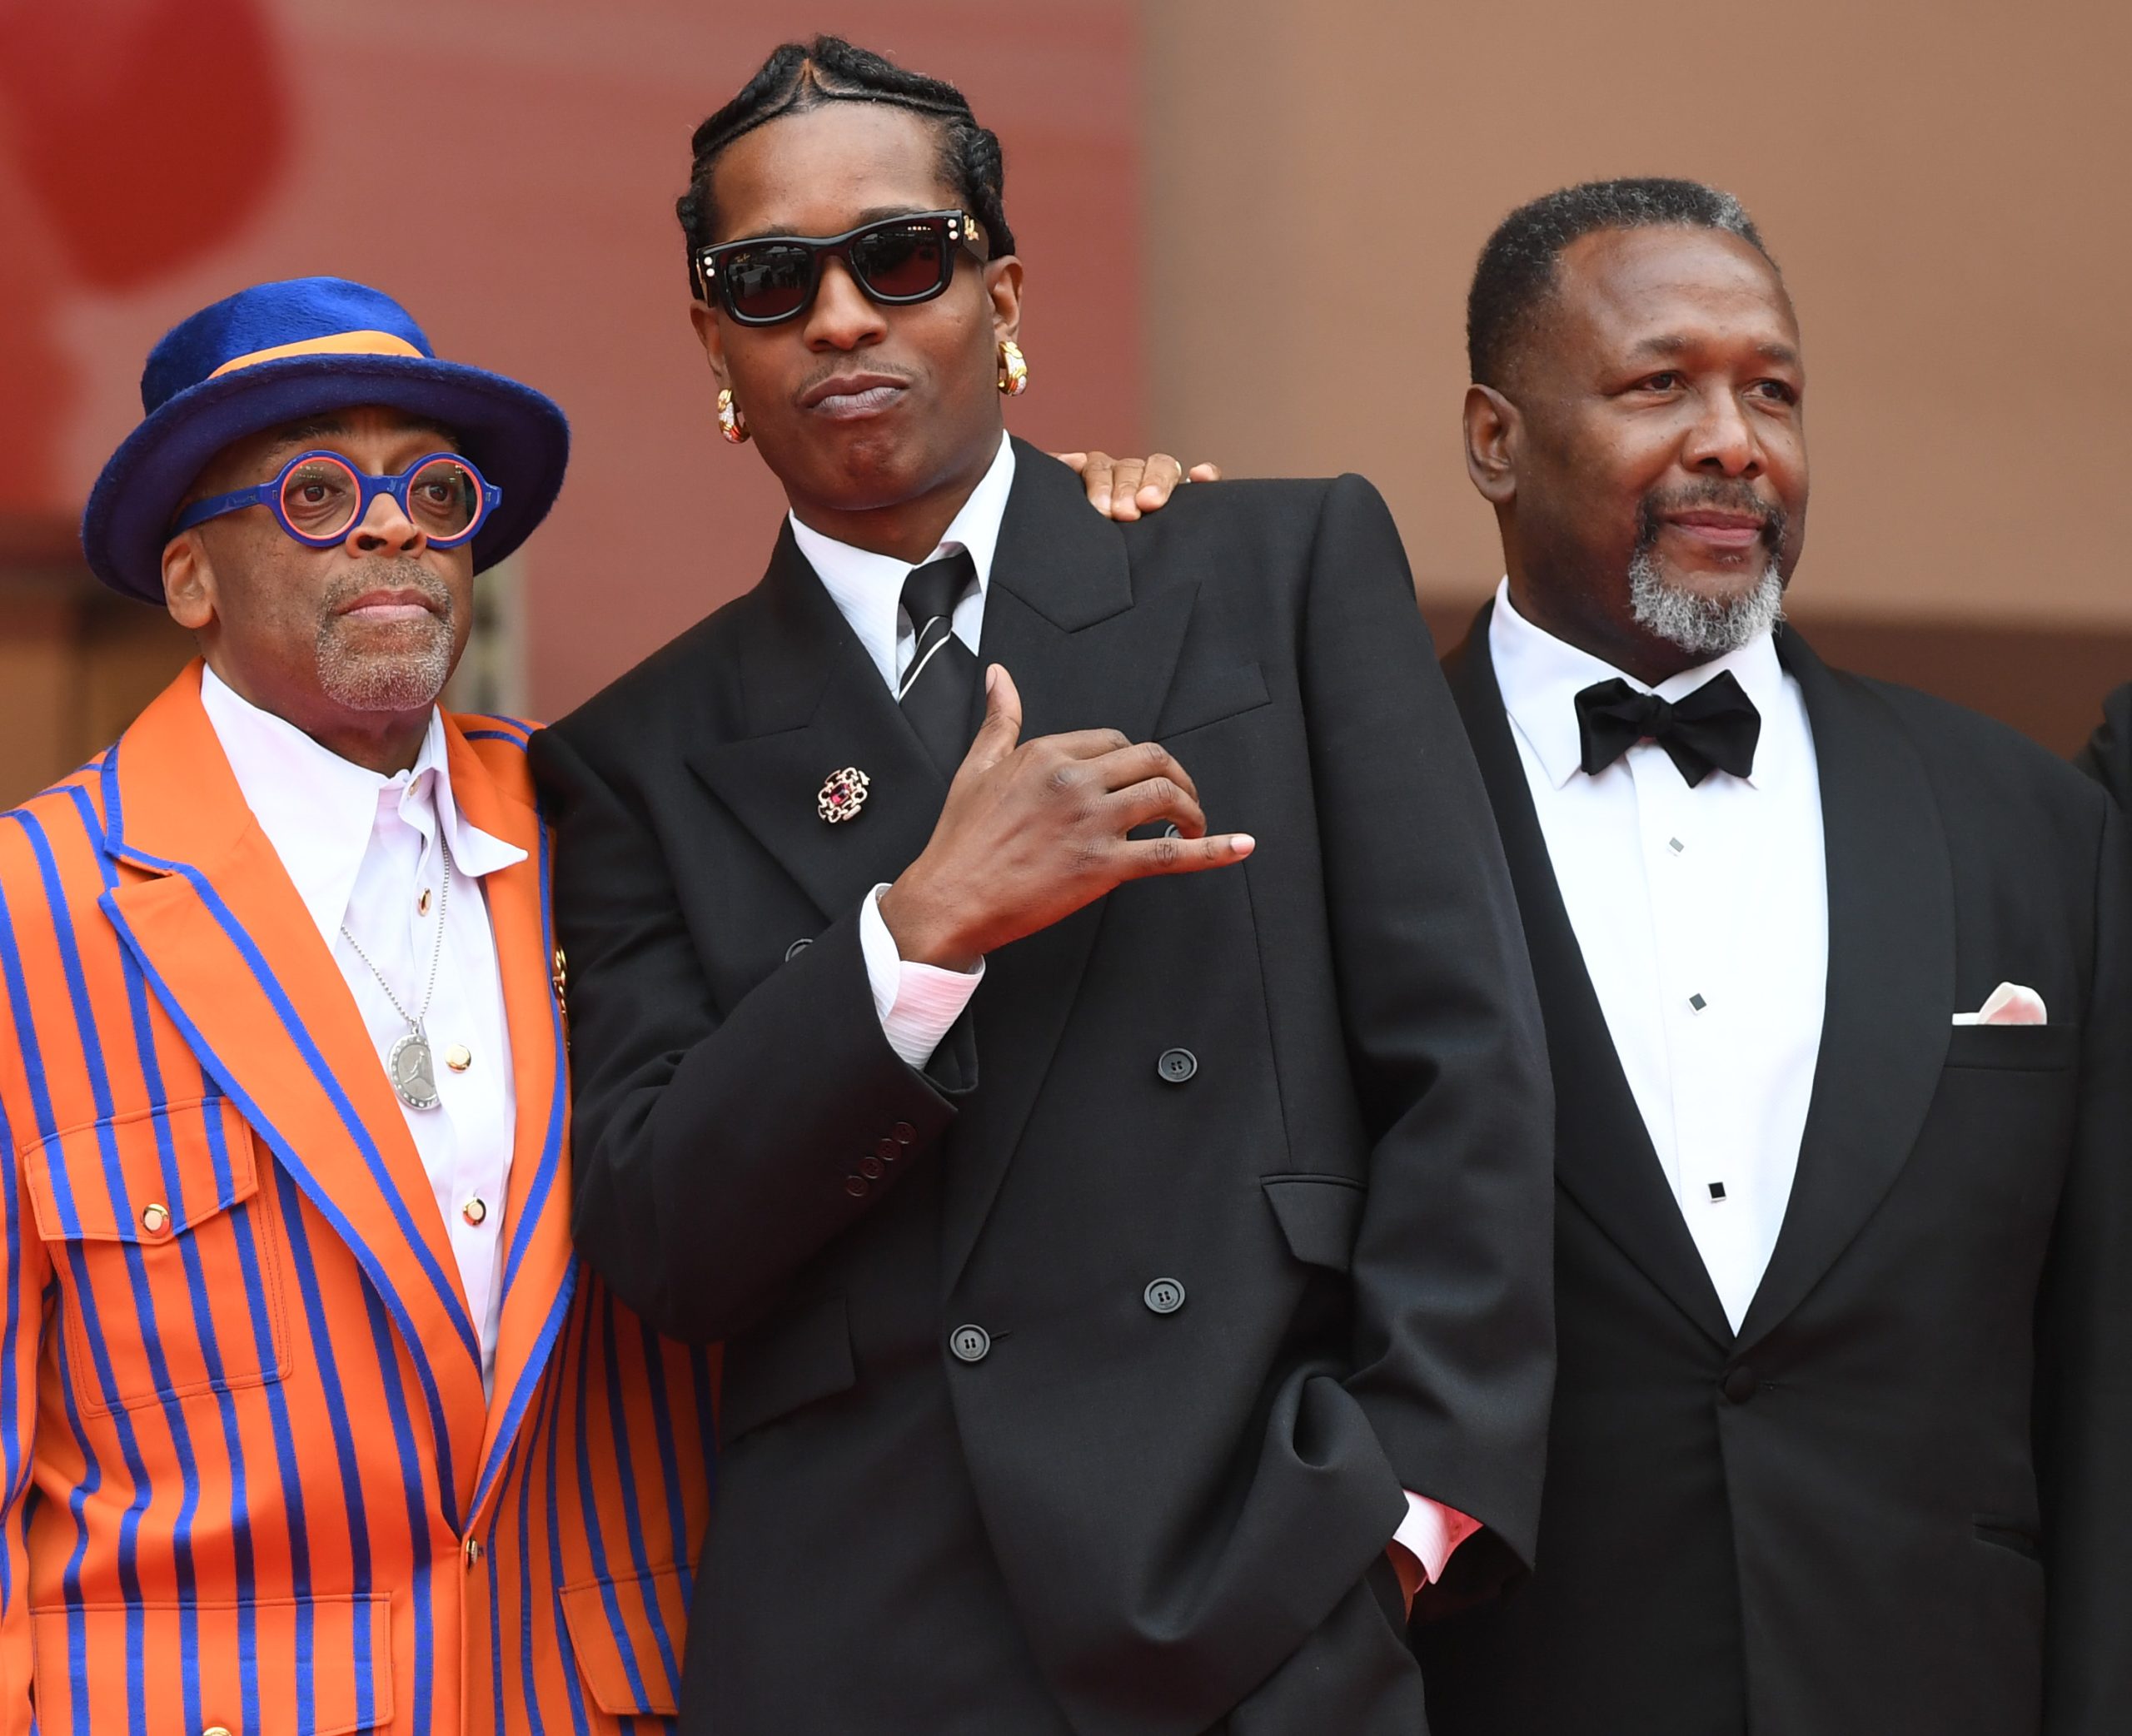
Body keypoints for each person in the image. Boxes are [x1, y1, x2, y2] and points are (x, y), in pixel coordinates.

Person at [532, 35, 1555, 1736]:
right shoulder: (632, 750)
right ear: (713, 344)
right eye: (771, 281)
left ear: (1000, 292)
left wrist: (1405, 1512)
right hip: (864, 1626)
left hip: (1268, 1569)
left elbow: (1464, 1061)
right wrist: (908, 936)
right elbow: (663, 1242)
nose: (843, 318)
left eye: (901, 257)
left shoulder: (1272, 569)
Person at [1415, 178, 2132, 1736]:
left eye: (1775, 391)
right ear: (1494, 437)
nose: (1735, 437)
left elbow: (2097, 1371)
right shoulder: (1360, 811)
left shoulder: (2028, 825)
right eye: (1661, 383)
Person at [0, 276, 717, 1733]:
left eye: (435, 492)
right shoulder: (27, 914)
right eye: (319, 488)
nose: (395, 525)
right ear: (192, 577)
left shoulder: (616, 826)